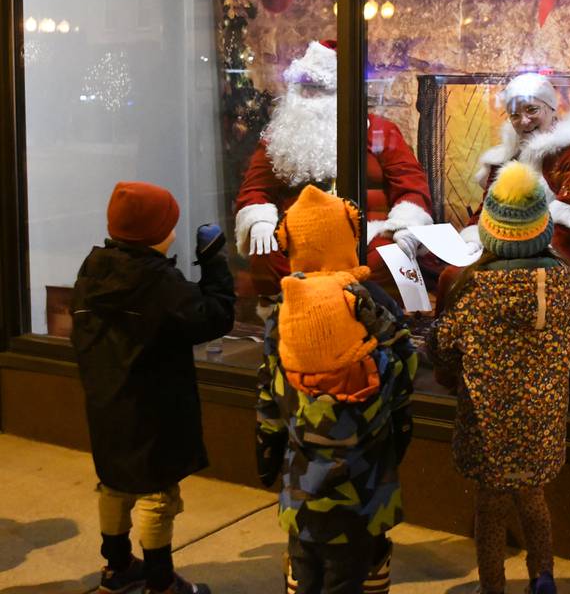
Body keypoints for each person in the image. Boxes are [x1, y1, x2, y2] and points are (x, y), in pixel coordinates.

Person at [429, 162, 570, 594]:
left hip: (488, 428)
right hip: (541, 422)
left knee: (491, 508)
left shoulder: (473, 285)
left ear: (490, 230)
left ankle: (493, 586)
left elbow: (442, 347)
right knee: (534, 499)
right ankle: (543, 578)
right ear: (543, 227)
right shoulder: (563, 280)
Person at [70, 182, 236, 594]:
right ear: (155, 233)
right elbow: (212, 318)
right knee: (156, 495)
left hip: (107, 404)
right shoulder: (156, 280)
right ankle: (162, 584)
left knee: (114, 485)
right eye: (170, 225)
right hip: (153, 409)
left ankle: (117, 566)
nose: (175, 232)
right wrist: (215, 264)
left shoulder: (94, 268)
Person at [255, 184, 415, 594]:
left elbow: (270, 392)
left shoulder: (283, 309)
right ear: (346, 239)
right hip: (365, 485)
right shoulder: (371, 303)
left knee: (305, 569)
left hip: (302, 483)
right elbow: (402, 377)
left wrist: (267, 451)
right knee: (354, 573)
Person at [235, 39, 436, 305]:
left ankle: (370, 319)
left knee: (393, 257)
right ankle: (297, 319)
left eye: (318, 88)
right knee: (266, 254)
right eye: (303, 87)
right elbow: (254, 189)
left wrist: (405, 226)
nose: (308, 97)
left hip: (365, 238)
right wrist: (259, 219)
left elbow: (411, 185)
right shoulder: (279, 138)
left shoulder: (380, 132)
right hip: (297, 239)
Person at [462, 72, 570, 306]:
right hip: (506, 251)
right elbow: (487, 210)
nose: (523, 121)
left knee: (500, 285)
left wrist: (518, 256)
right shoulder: (509, 155)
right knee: (454, 277)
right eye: (515, 115)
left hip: (559, 260)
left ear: (551, 109)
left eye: (532, 110)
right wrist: (472, 240)